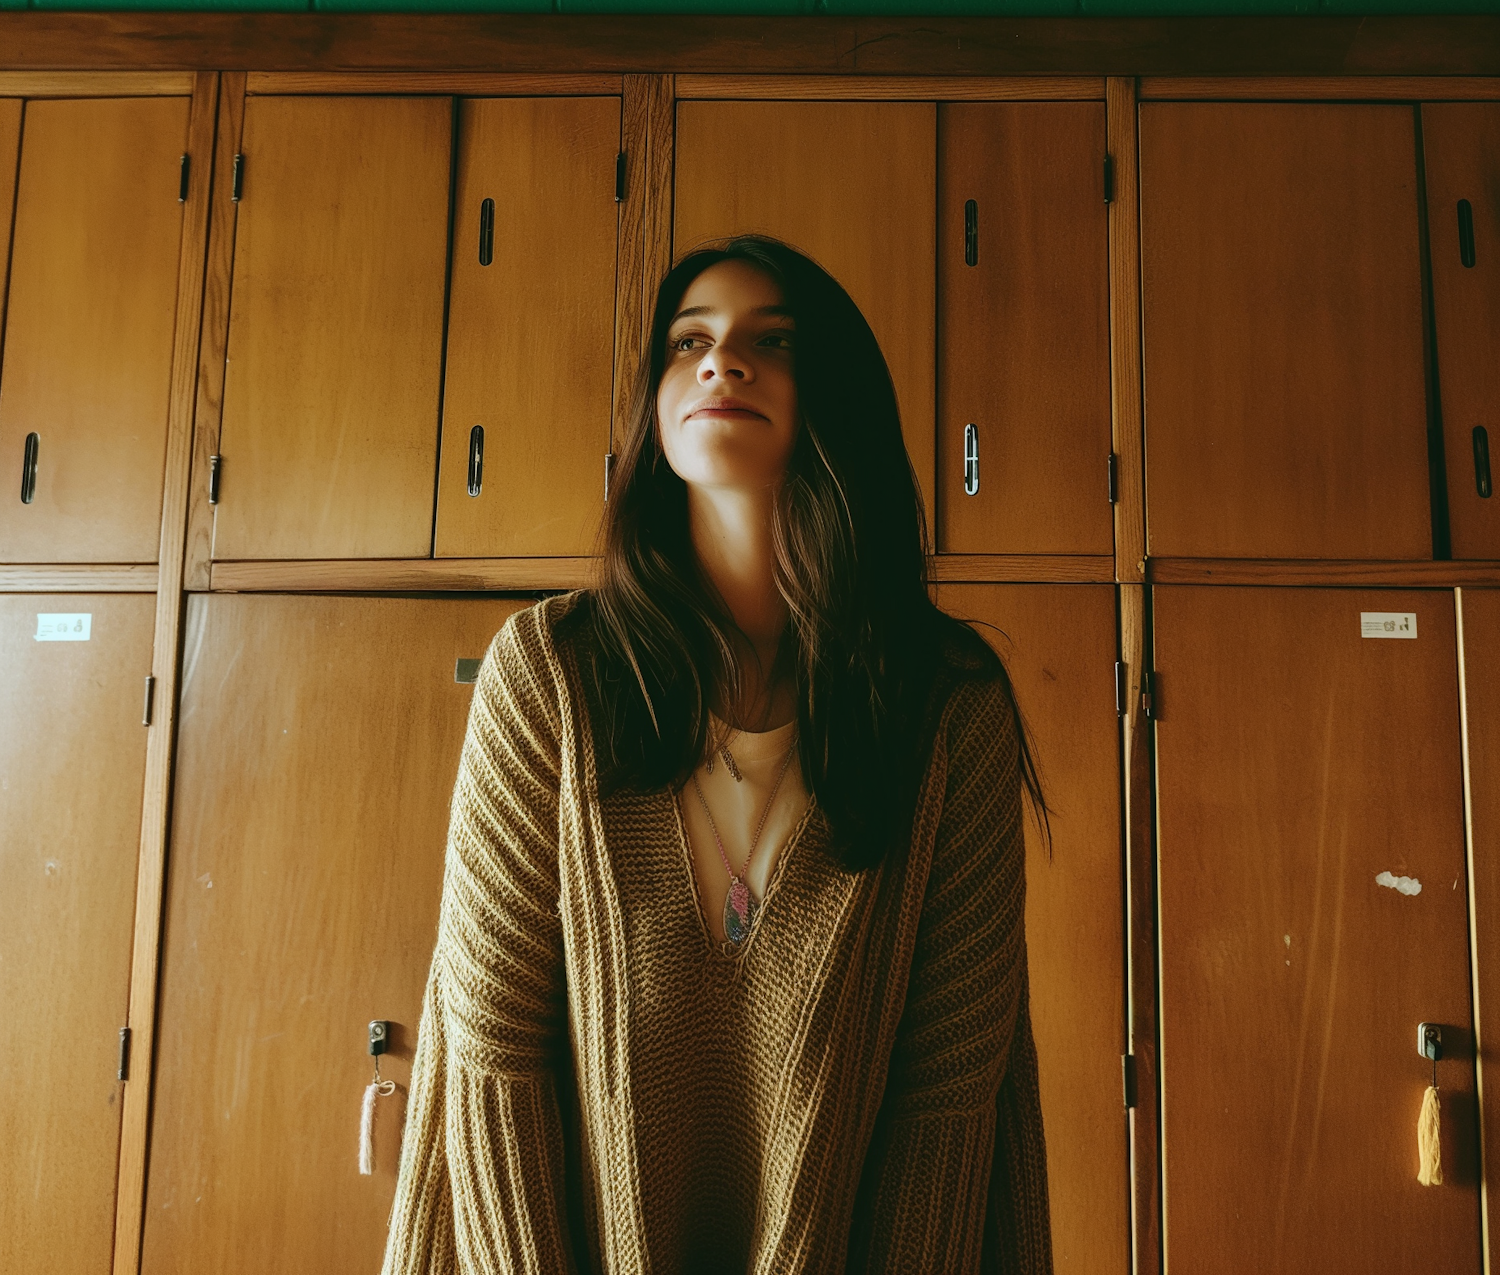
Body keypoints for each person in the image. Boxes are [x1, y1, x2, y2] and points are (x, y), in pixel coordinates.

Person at [382, 234, 1052, 1275]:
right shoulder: (547, 673)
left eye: (768, 339)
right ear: (655, 408)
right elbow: (491, 1051)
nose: (720, 360)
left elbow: (950, 1096)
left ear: (837, 393)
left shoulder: (947, 707)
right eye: (689, 338)